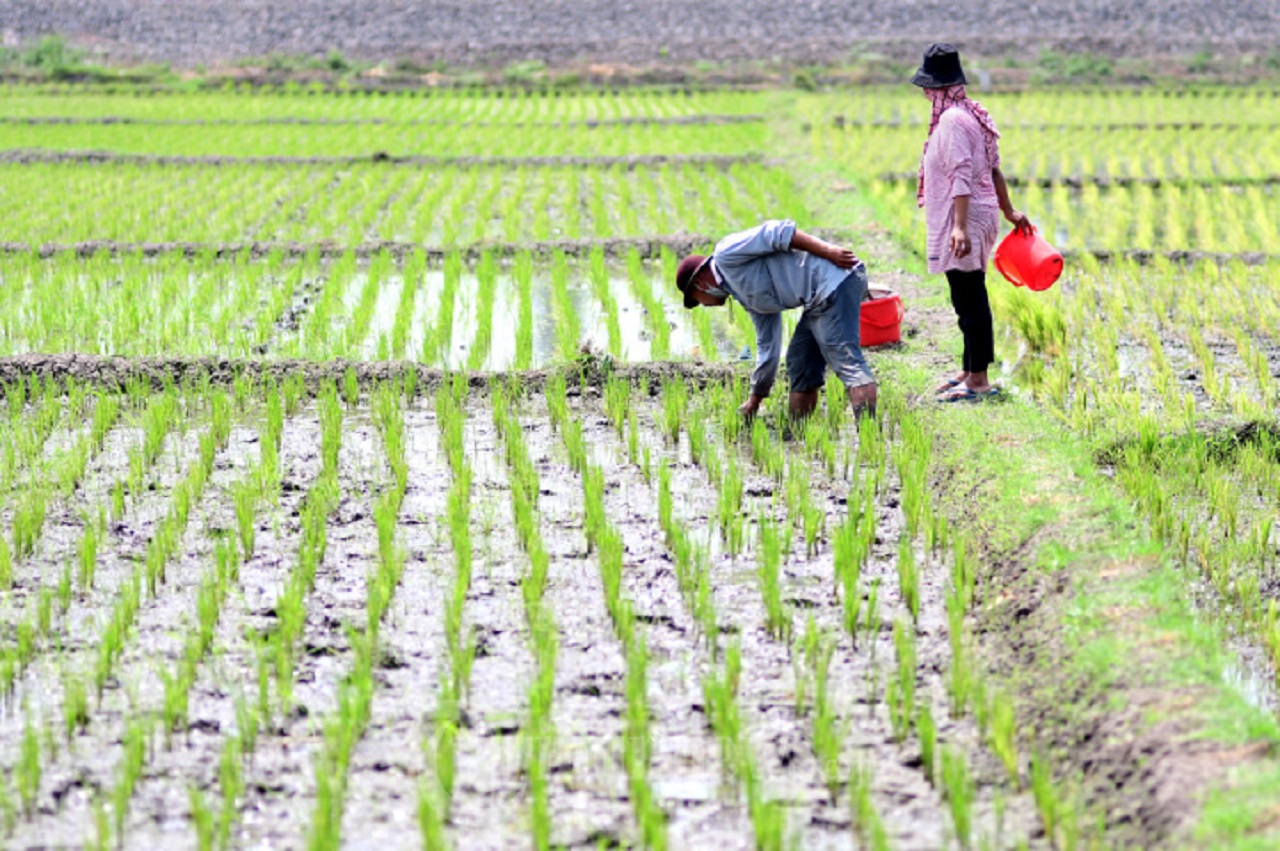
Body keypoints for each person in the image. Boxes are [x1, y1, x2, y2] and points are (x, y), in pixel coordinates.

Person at [912, 43, 1033, 402]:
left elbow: (962, 174)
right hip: (980, 213)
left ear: (937, 87)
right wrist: (1009, 211)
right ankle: (968, 370)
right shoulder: (971, 113)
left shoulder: (952, 120)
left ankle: (978, 381)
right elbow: (993, 169)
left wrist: (959, 226)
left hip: (965, 216)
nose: (924, 92)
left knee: (970, 299)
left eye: (927, 86)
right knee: (965, 296)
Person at [675, 219, 878, 419]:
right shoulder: (747, 297)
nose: (704, 305)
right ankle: (798, 432)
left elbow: (776, 231)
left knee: (847, 362)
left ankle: (869, 434)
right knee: (800, 361)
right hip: (818, 298)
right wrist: (755, 399)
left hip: (835, 281)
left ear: (700, 284)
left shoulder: (725, 254)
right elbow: (768, 346)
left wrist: (828, 251)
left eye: (697, 300)